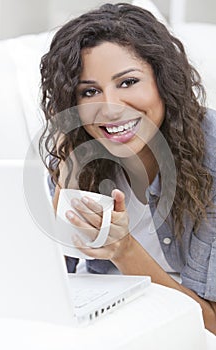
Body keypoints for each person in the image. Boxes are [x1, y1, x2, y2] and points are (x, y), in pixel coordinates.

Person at [39, 3, 216, 333]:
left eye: (128, 82)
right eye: (90, 91)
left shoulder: (213, 157)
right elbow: (50, 282)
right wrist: (68, 177)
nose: (110, 108)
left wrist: (124, 250)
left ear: (164, 81)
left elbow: (212, 325)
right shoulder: (75, 148)